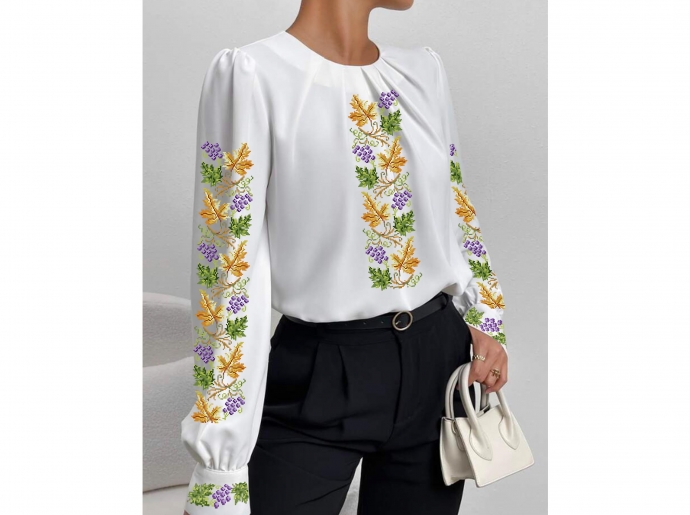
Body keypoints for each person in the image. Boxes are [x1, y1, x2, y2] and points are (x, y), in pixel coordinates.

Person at [181, 1, 508, 514]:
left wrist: (484, 317)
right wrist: (218, 467)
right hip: (320, 371)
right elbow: (228, 267)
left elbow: (455, 206)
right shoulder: (253, 75)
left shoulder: (422, 72)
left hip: (438, 363)